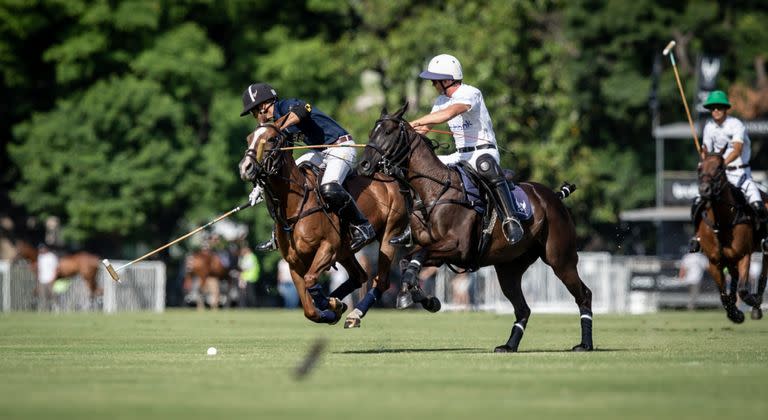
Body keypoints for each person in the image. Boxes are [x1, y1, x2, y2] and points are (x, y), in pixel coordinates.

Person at [389, 54, 523, 246]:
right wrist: (400, 135)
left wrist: (413, 122)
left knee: (485, 166)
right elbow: (424, 130)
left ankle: (511, 220)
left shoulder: (470, 93)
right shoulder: (440, 101)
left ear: (447, 80)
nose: (433, 85)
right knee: (420, 173)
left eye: (434, 81)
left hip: (482, 151)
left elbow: (450, 113)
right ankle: (413, 226)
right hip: (460, 155)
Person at [240, 82, 375, 253]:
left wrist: (276, 127)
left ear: (264, 106)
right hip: (319, 153)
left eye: (253, 112)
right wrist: (259, 187)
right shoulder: (277, 130)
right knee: (283, 180)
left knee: (329, 187)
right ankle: (277, 233)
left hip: (341, 147)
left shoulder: (285, 106)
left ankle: (363, 226)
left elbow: (303, 110)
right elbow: (278, 161)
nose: (255, 117)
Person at [690, 90, 767, 253]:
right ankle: (697, 236)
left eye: (719, 107)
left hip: (740, 174)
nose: (715, 111)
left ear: (726, 109)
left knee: (757, 204)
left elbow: (737, 149)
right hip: (717, 176)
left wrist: (719, 164)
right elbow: (706, 150)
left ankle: (764, 239)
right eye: (712, 108)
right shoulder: (709, 127)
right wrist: (705, 160)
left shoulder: (736, 125)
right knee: (697, 203)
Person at [35, 243, 58, 311]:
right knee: (42, 295)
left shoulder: (51, 256)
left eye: (42, 248)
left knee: (52, 294)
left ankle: (55, 307)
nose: (41, 250)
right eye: (40, 249)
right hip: (42, 279)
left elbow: (55, 268)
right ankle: (44, 309)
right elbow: (39, 268)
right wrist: (38, 278)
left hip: (50, 278)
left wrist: (53, 278)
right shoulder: (40, 257)